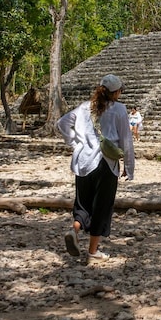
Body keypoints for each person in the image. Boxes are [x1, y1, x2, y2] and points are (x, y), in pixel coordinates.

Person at [56, 74, 135, 262]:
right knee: (101, 207)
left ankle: (74, 230)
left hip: (83, 161)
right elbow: (126, 140)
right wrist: (129, 167)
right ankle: (92, 251)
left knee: (82, 203)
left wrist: (75, 143)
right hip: (105, 163)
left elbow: (62, 123)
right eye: (120, 91)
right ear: (115, 92)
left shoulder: (85, 107)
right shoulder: (119, 109)